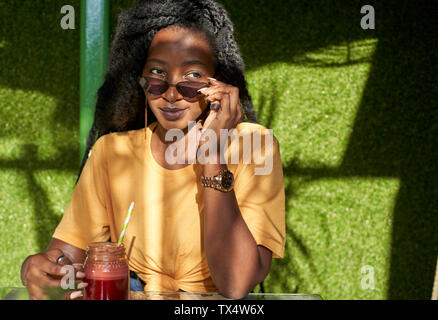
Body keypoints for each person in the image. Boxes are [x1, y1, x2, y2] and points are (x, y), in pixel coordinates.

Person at [20, 0, 285, 300]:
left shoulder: (255, 147)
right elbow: (64, 256)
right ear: (141, 81)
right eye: (157, 74)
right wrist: (40, 267)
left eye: (193, 76)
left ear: (219, 81)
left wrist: (213, 155)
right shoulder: (111, 152)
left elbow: (236, 284)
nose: (171, 94)